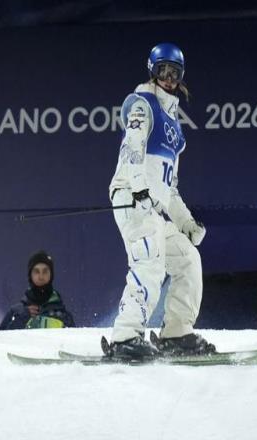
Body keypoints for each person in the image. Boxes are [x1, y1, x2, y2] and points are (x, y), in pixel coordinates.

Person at [107, 42, 215, 358]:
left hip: (154, 208)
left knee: (188, 259)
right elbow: (133, 147)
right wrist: (139, 189)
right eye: (162, 70)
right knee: (149, 263)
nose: (168, 78)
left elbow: (171, 187)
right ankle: (125, 336)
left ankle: (176, 333)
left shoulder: (174, 127)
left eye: (174, 72)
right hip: (132, 199)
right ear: (152, 71)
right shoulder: (143, 104)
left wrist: (186, 223)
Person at [0, 250, 75, 330]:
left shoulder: (65, 317)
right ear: (30, 275)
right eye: (36, 271)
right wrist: (21, 319)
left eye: (45, 271)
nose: (41, 276)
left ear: (51, 275)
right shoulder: (15, 312)